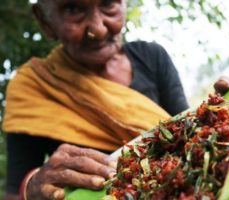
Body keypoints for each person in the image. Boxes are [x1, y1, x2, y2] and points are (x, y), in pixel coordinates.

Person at [2, 0, 190, 200]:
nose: (98, 30)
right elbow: (15, 193)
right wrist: (34, 187)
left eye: (108, 4)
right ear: (45, 21)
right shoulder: (35, 87)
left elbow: (189, 134)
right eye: (73, 9)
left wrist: (220, 110)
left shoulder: (152, 57)